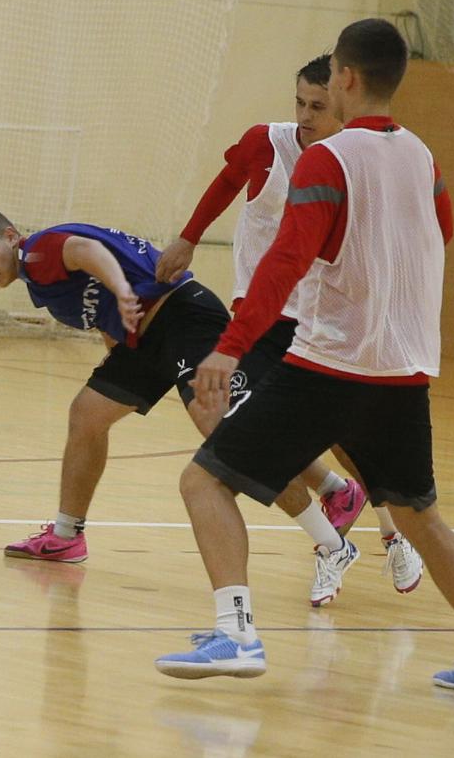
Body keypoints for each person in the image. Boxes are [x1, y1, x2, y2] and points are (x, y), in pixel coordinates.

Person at [155, 18, 454, 698]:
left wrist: (229, 350)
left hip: (330, 367)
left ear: (345, 77)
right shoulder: (423, 157)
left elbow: (286, 262)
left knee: (205, 481)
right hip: (404, 372)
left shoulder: (328, 159)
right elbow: (440, 230)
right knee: (419, 515)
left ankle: (236, 633)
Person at [155, 53, 425, 601]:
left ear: (342, 104)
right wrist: (188, 237)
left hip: (325, 324)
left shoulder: (354, 162)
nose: (305, 115)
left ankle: (394, 533)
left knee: (350, 440)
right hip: (261, 319)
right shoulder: (266, 143)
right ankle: (331, 539)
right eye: (299, 102)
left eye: (318, 106)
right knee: (242, 426)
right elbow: (225, 181)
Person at [0, 212, 347, 573]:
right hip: (142, 341)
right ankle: (66, 536)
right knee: (87, 414)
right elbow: (104, 315)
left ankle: (333, 542)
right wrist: (117, 359)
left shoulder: (39, 251)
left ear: (11, 236)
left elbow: (88, 251)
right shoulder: (37, 280)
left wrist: (121, 290)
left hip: (183, 316)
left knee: (229, 436)